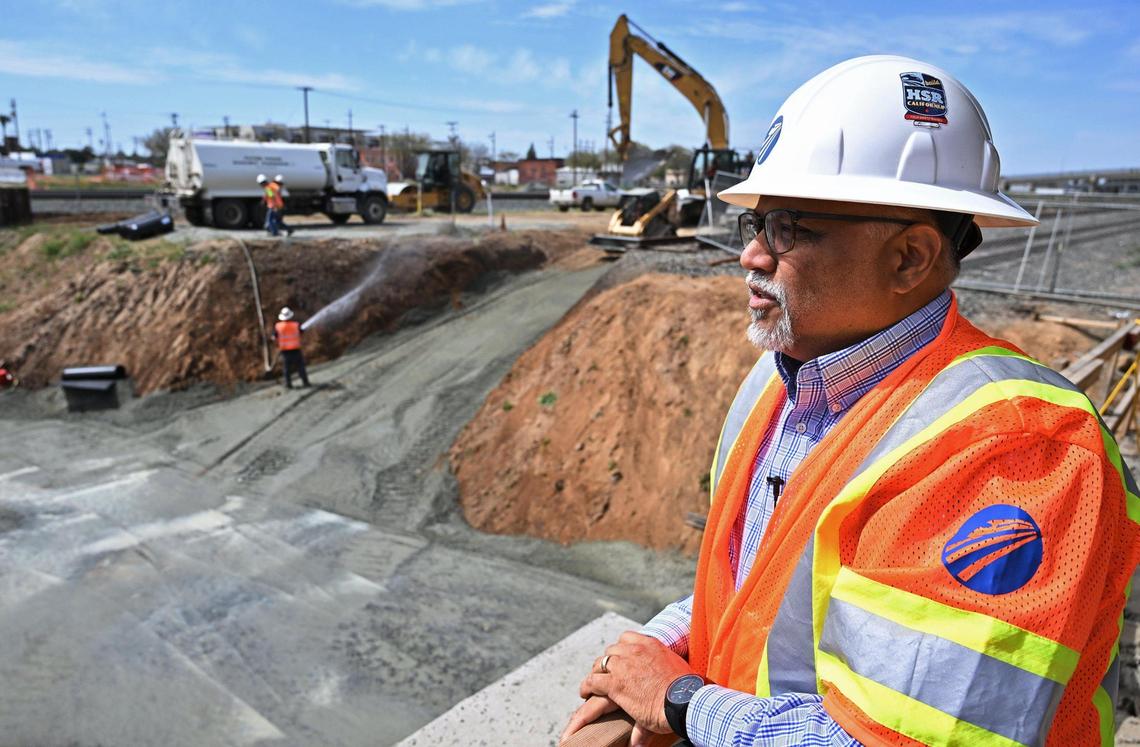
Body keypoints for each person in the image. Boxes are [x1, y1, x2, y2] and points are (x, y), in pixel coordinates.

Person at [562, 55, 1140, 746]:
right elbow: (752, 597)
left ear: (909, 258)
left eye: (789, 227)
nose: (751, 255)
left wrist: (682, 702)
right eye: (755, 223)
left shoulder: (1016, 449)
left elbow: (900, 740)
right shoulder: (779, 384)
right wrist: (639, 657)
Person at [273, 307, 309, 389]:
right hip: (296, 349)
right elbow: (301, 331)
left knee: (286, 368)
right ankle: (305, 382)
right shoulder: (296, 325)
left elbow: (274, 336)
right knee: (300, 367)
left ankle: (288, 384)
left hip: (285, 351)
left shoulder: (278, 326)